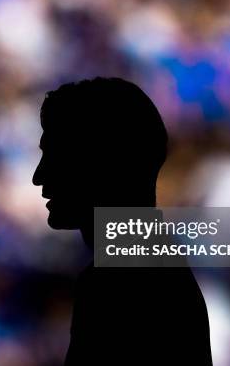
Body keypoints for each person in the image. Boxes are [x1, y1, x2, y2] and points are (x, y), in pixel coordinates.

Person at [33, 77, 213, 365]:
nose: (39, 176)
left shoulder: (124, 284)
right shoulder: (153, 270)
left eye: (56, 157)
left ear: (99, 167)